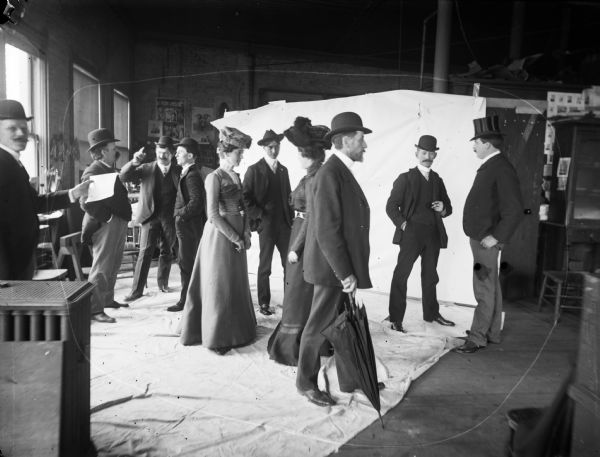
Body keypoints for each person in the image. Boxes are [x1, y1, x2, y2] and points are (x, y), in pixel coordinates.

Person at [296, 112, 372, 407]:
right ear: (345, 140)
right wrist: (345, 273)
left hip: (337, 268)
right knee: (318, 327)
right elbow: (326, 230)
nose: (365, 145)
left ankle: (352, 379)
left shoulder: (339, 170)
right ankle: (304, 383)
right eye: (361, 139)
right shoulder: (330, 173)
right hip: (331, 270)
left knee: (344, 324)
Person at [179, 127, 256, 354]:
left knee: (234, 283)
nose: (241, 157)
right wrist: (234, 237)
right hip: (220, 238)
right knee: (219, 284)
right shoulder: (214, 177)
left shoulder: (236, 176)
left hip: (238, 237)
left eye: (241, 153)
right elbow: (212, 215)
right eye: (238, 153)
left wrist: (247, 233)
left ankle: (237, 330)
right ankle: (217, 335)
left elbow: (243, 208)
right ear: (225, 153)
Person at [455, 115, 523, 353]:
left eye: (476, 141)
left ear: (486, 143)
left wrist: (497, 236)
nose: (473, 146)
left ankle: (477, 337)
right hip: (482, 238)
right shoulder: (493, 165)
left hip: (486, 241)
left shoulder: (500, 167)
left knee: (483, 287)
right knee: (490, 285)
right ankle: (491, 332)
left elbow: (514, 209)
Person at [0, 99, 89, 279]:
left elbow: (36, 203)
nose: (21, 134)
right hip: (7, 266)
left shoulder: (13, 162)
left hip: (21, 259)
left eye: (24, 129)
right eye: (12, 128)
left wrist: (74, 193)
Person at [267, 117, 330, 365]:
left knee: (298, 292)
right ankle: (304, 341)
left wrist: (296, 248)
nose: (298, 158)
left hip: (305, 236)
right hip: (299, 229)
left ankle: (296, 346)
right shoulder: (309, 176)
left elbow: (313, 216)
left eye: (301, 153)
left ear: (309, 155)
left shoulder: (315, 179)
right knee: (298, 290)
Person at [385, 135, 455, 333]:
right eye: (424, 152)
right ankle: (396, 318)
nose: (428, 156)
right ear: (417, 153)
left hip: (432, 233)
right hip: (411, 234)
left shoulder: (437, 180)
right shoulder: (405, 178)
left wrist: (442, 208)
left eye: (431, 153)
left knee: (430, 275)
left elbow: (448, 207)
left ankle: (431, 314)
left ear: (435, 155)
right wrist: (404, 225)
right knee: (402, 274)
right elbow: (391, 206)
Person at [81, 128, 132, 323]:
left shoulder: (107, 169)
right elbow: (85, 202)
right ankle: (94, 310)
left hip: (117, 222)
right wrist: (109, 218)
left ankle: (107, 300)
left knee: (113, 264)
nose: (115, 151)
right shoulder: (93, 171)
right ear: (102, 151)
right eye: (112, 148)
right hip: (105, 225)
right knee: (102, 267)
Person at [120, 136, 181, 301]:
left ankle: (163, 284)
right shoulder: (145, 168)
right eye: (159, 152)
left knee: (167, 251)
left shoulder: (178, 170)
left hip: (169, 217)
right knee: (145, 252)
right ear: (155, 151)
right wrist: (134, 162)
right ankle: (136, 291)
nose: (162, 156)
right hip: (149, 216)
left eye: (166, 153)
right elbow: (123, 177)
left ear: (173, 153)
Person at [242, 129, 293, 316]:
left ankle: (291, 302)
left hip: (285, 225)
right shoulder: (254, 170)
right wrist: (260, 216)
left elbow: (288, 197)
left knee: (290, 265)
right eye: (270, 147)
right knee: (265, 266)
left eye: (276, 146)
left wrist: (292, 218)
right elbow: (245, 197)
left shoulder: (283, 170)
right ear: (264, 148)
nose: (274, 150)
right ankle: (264, 303)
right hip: (267, 225)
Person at [167, 137, 212, 312]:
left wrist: (179, 214)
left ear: (191, 156)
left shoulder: (192, 175)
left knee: (187, 265)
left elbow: (197, 202)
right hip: (186, 227)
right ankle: (189, 300)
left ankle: (186, 302)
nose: (176, 154)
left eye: (180, 152)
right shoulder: (187, 172)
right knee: (186, 264)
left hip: (189, 228)